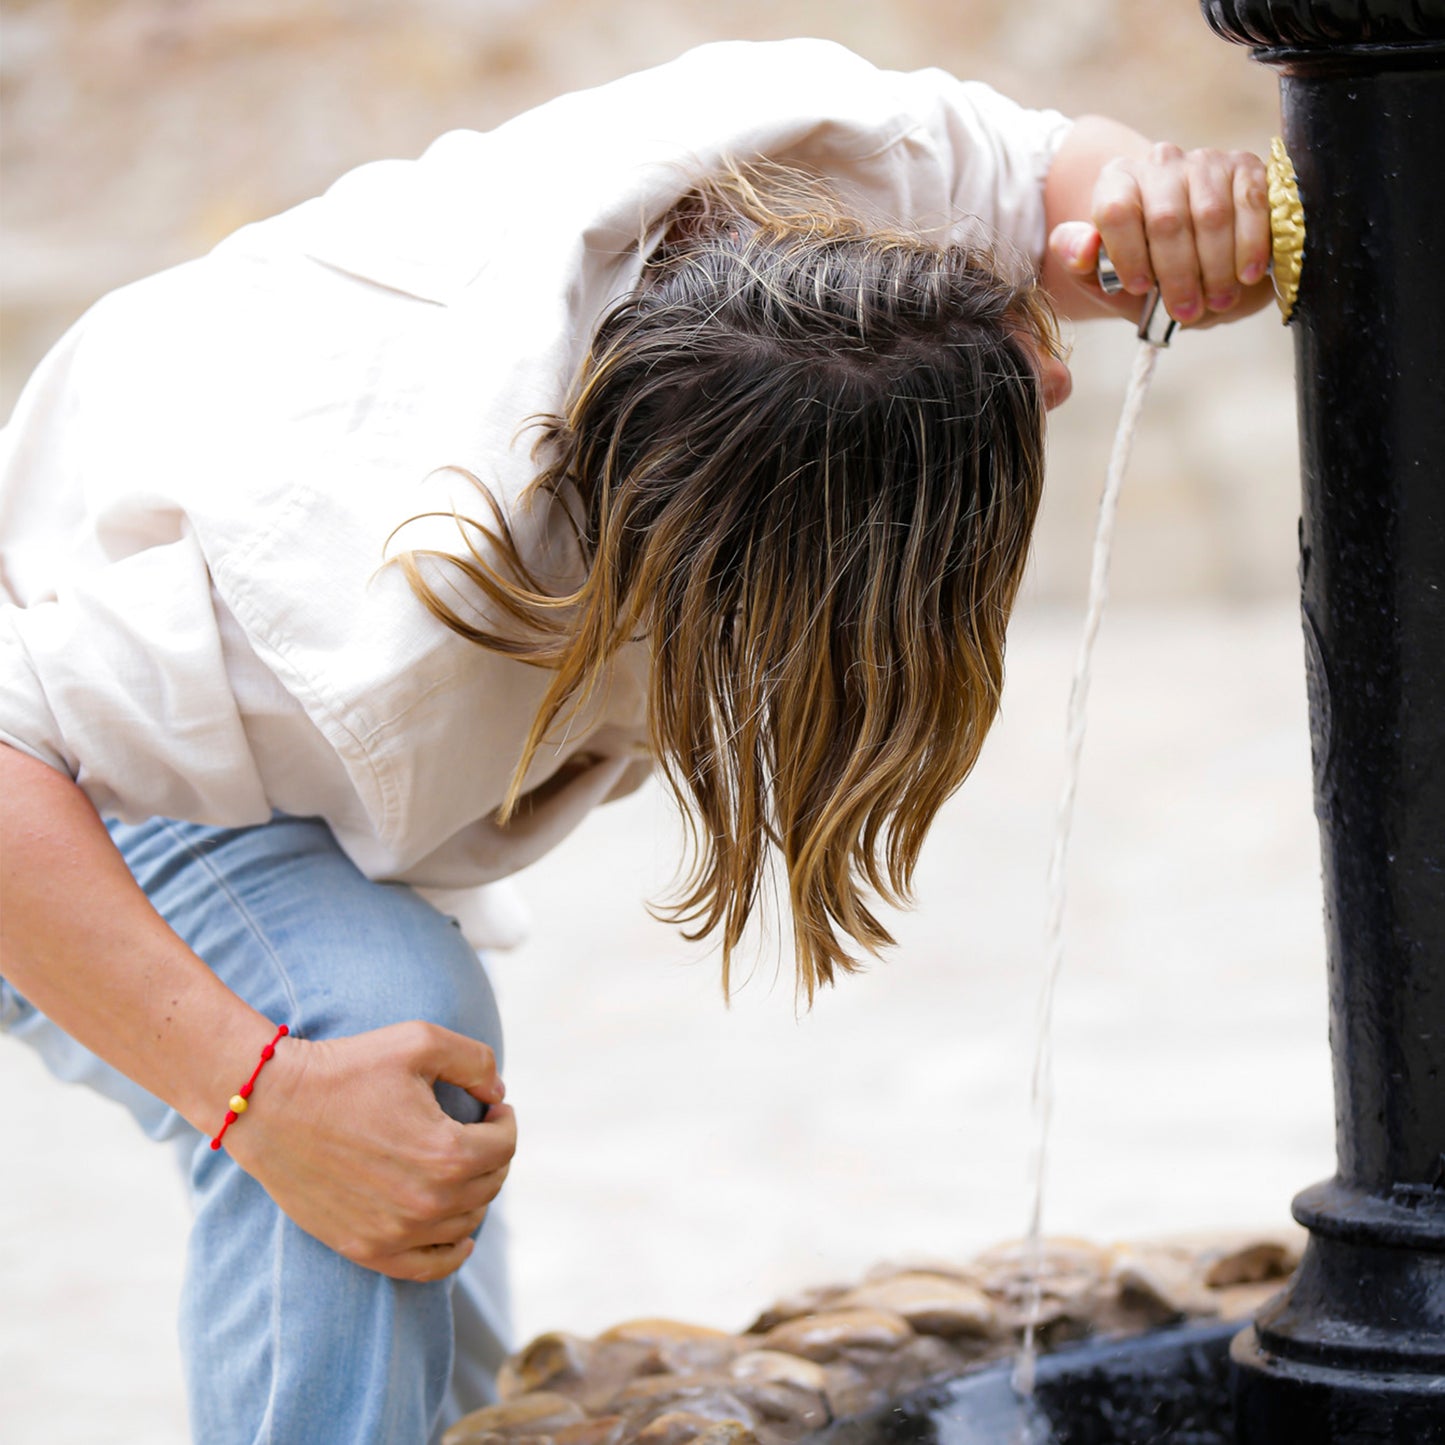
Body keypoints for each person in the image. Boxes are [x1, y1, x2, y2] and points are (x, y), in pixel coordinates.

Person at [0, 37, 1273, 1445]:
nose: (1055, 382)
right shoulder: (358, 590)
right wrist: (261, 1097)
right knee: (368, 1045)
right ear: (730, 586)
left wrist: (1163, 214)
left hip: (213, 646)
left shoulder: (814, 157)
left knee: (416, 1201)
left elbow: (1053, 182)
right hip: (64, 740)